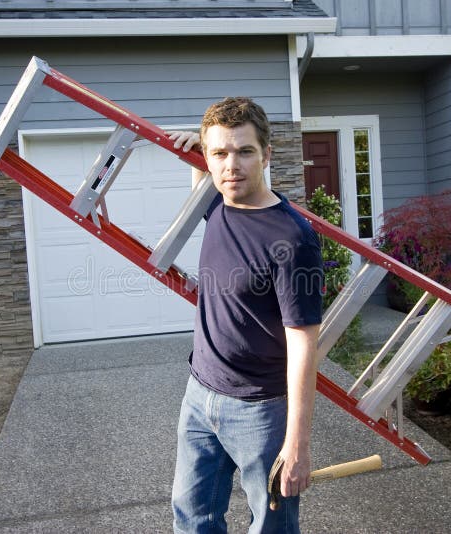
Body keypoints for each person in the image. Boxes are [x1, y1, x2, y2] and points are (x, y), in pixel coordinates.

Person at [168, 97, 324, 533]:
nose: (230, 166)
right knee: (192, 517)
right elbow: (205, 180)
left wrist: (297, 444)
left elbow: (304, 345)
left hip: (259, 411)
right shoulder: (217, 204)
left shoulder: (293, 239)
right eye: (219, 153)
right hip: (199, 396)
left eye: (244, 151)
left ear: (267, 154)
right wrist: (194, 157)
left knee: (270, 526)